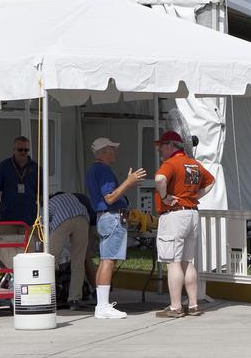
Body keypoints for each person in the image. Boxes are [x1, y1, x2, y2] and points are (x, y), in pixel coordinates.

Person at [153, 130, 215, 318]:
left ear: (171, 145)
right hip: (192, 214)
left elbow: (159, 179)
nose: (160, 151)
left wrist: (164, 196)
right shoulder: (194, 164)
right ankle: (194, 304)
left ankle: (175, 307)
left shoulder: (171, 163)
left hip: (174, 215)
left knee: (173, 263)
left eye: (162, 146)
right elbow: (211, 181)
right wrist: (195, 196)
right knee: (187, 262)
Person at [86, 137, 145, 320]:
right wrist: (128, 182)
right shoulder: (103, 170)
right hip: (112, 217)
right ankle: (103, 306)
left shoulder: (93, 170)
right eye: (113, 149)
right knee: (109, 260)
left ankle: (101, 304)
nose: (116, 153)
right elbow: (110, 198)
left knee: (105, 260)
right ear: (104, 152)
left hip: (104, 217)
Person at [46, 190, 90, 310]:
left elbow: (42, 224)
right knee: (78, 261)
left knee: (49, 259)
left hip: (62, 219)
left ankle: (48, 297)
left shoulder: (49, 202)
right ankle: (74, 299)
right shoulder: (71, 196)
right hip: (83, 219)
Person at [0, 136, 38, 227]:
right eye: (20, 150)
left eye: (26, 150)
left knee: (29, 242)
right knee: (7, 241)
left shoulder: (35, 167)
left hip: (29, 219)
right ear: (14, 150)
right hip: (7, 218)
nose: (23, 152)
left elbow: (41, 193)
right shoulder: (4, 166)